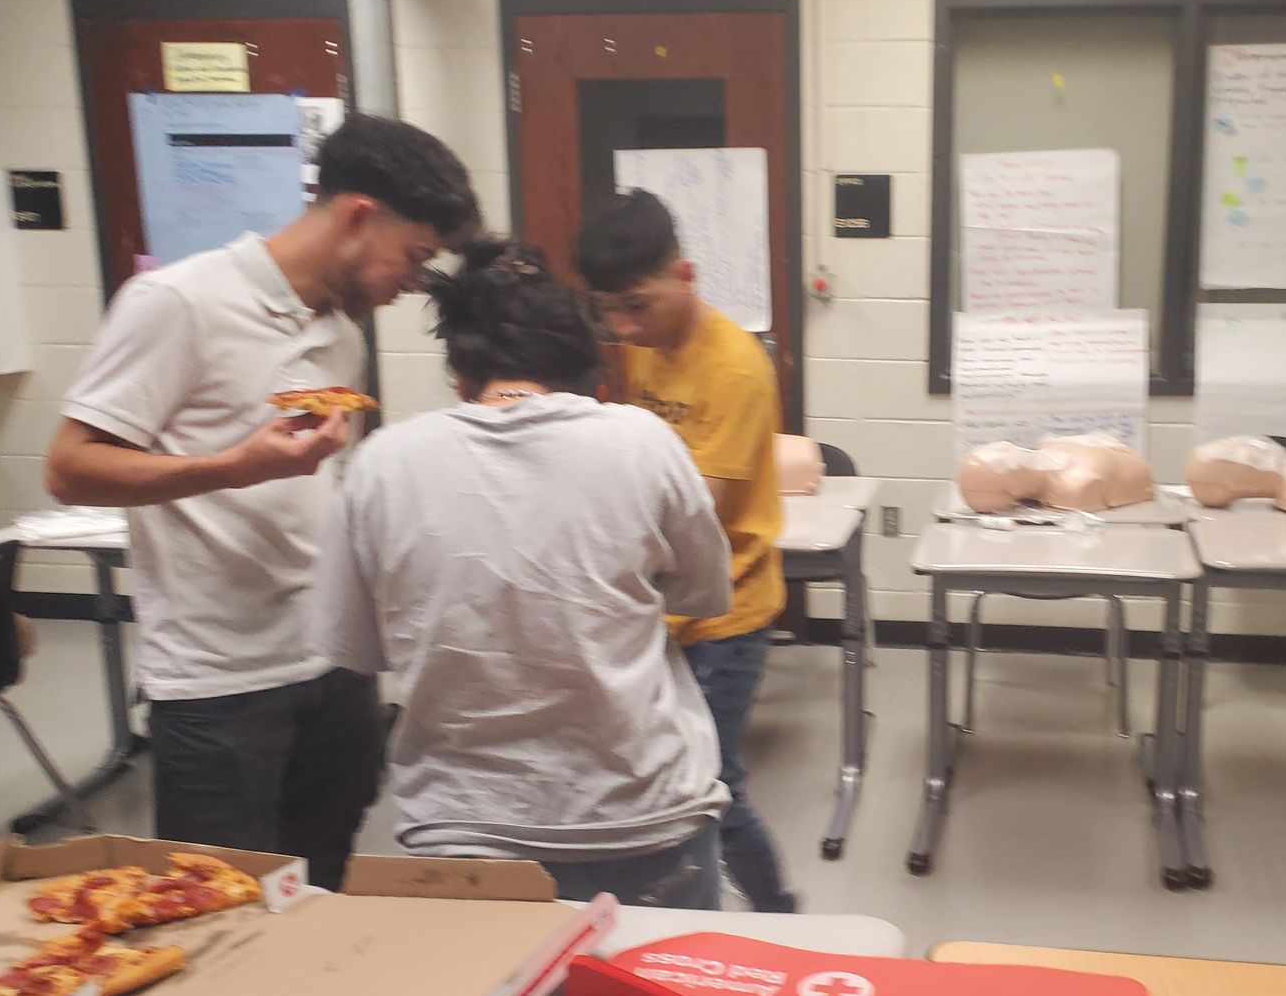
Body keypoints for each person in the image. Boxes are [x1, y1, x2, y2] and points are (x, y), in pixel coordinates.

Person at [44, 113, 478, 889]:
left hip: (332, 665)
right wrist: (233, 467)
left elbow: (310, 483)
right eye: (412, 258)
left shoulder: (340, 329)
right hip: (219, 686)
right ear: (356, 216)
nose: (413, 284)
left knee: (322, 885)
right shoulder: (176, 303)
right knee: (221, 911)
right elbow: (72, 468)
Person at [310, 239, 733, 908]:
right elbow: (706, 593)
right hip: (641, 820)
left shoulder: (383, 463)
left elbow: (356, 650)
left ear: (459, 381)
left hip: (462, 835)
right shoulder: (642, 443)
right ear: (594, 383)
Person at [576, 189, 798, 913]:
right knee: (665, 775)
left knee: (713, 783)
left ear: (686, 274)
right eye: (608, 310)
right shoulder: (647, 352)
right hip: (663, 608)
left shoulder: (734, 366)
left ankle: (779, 914)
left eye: (637, 306)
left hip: (727, 614)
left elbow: (691, 511)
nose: (624, 328)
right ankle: (662, 907)